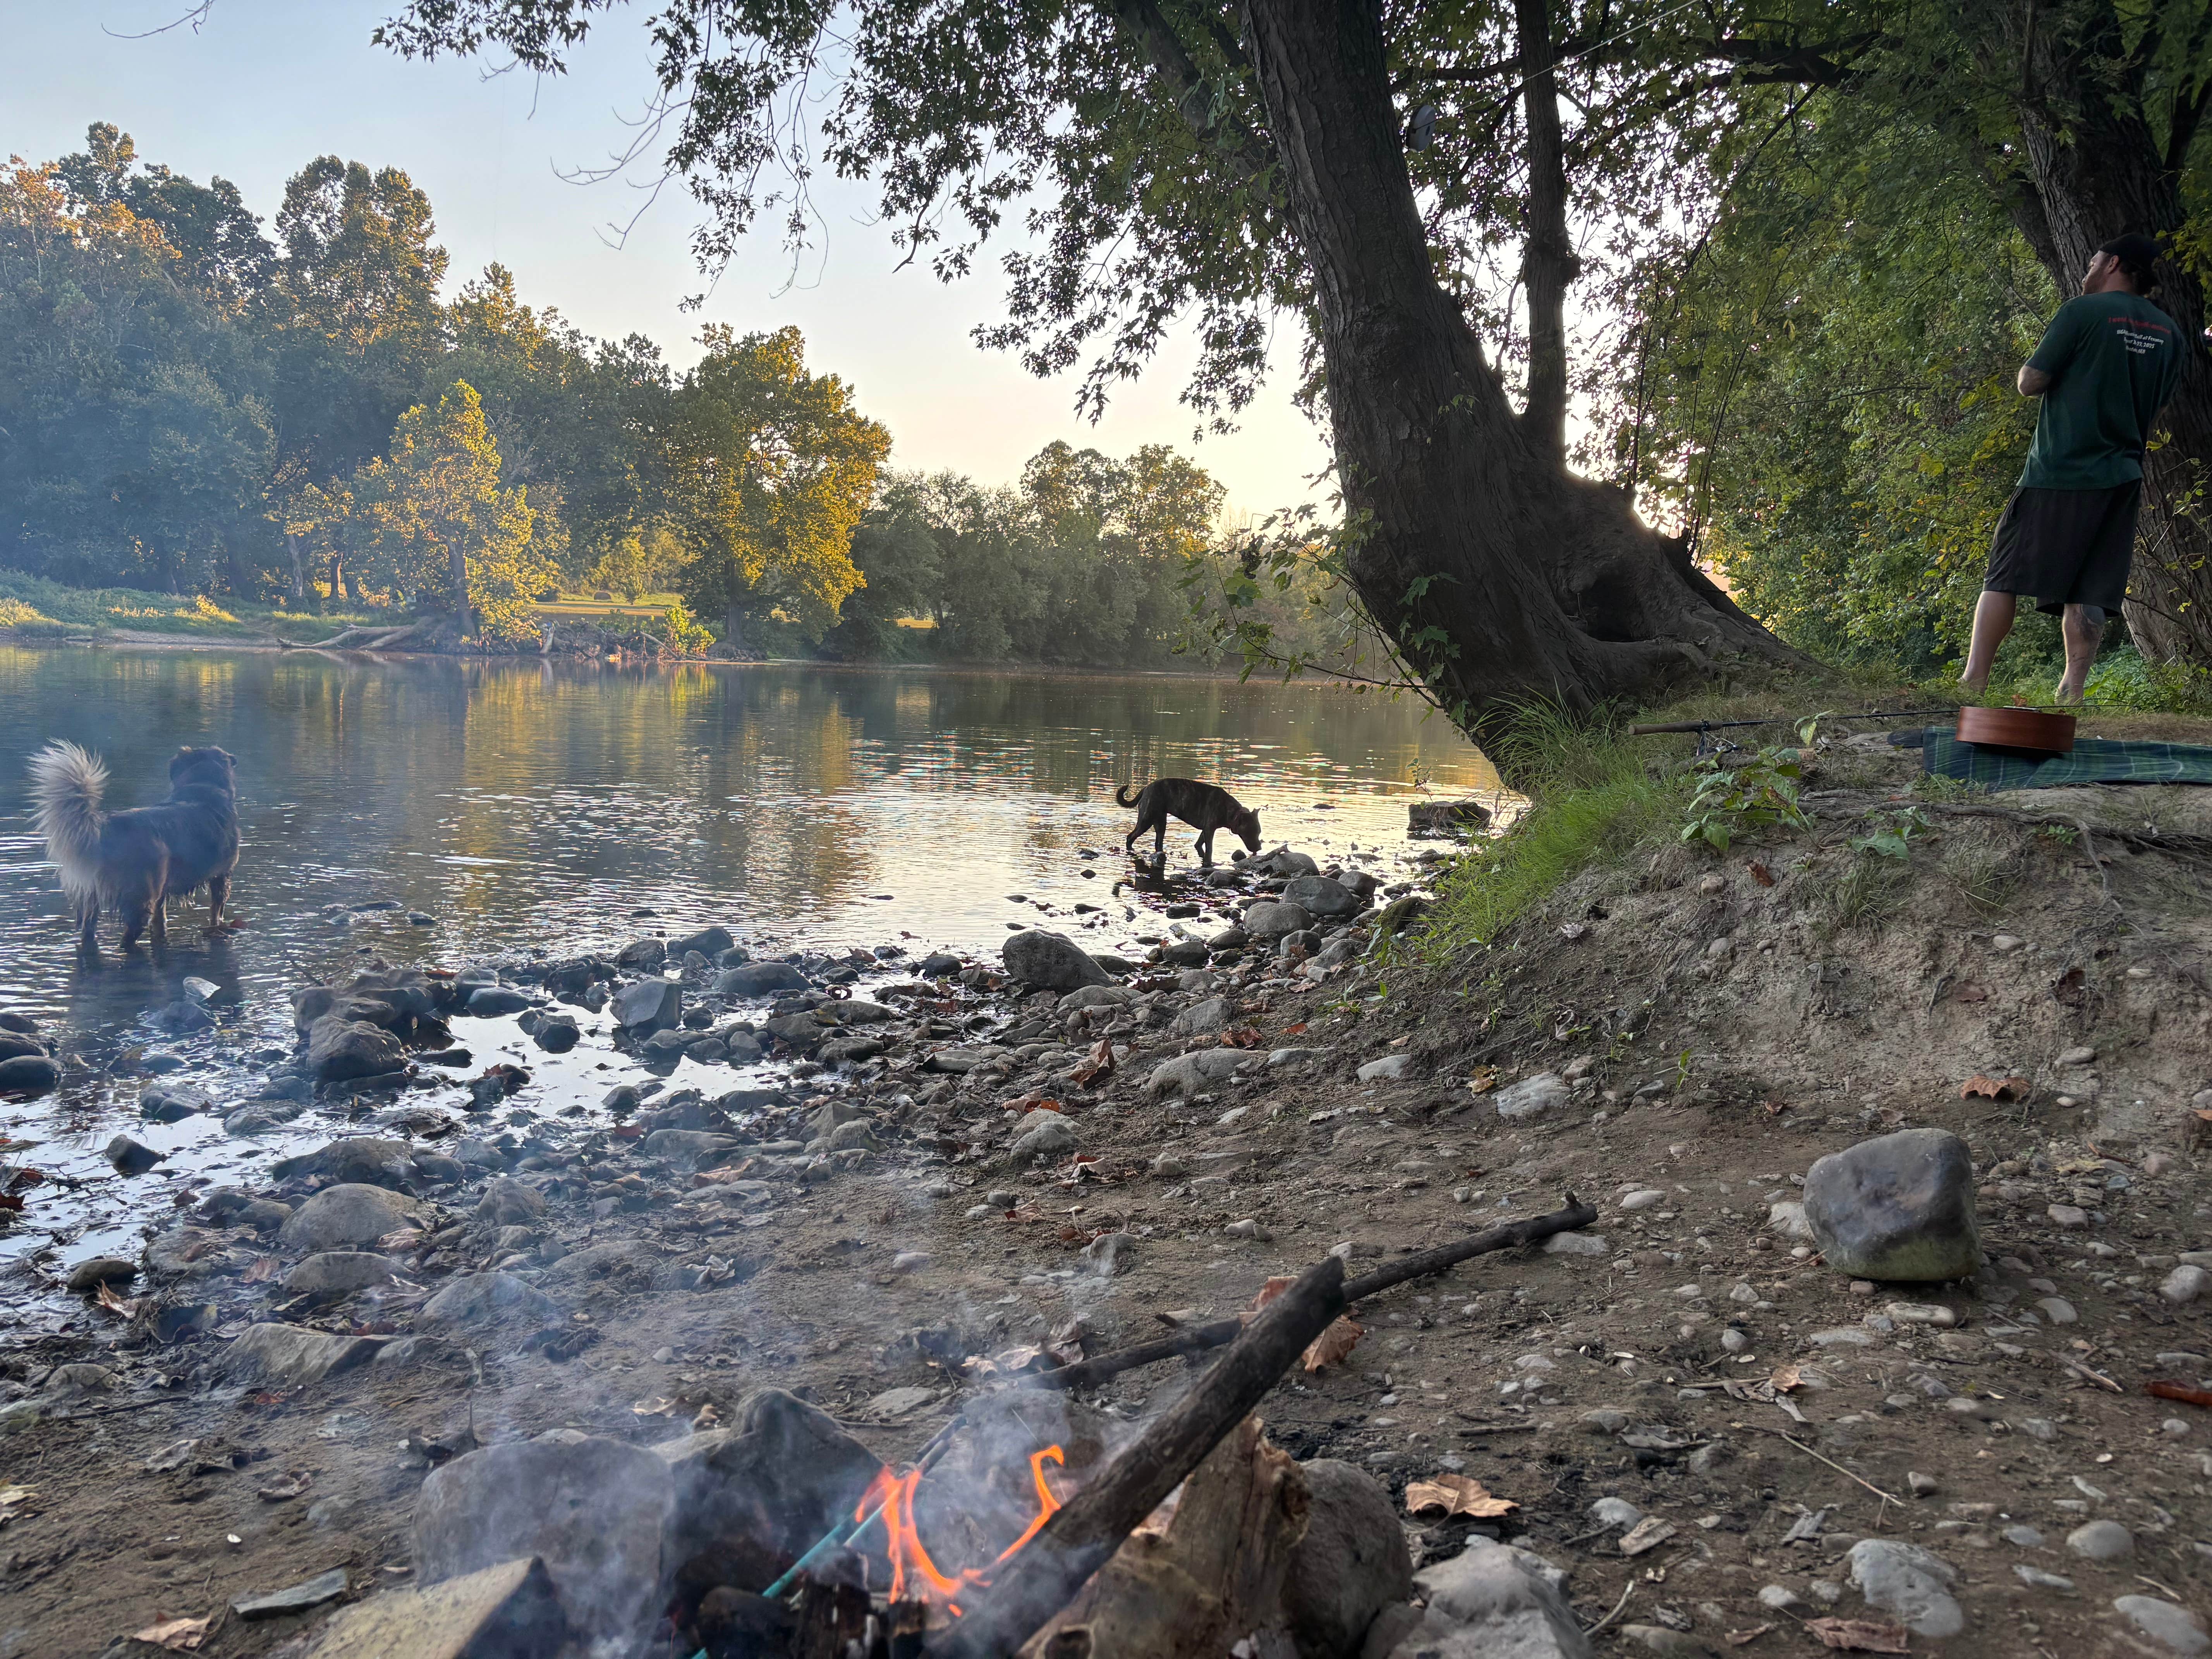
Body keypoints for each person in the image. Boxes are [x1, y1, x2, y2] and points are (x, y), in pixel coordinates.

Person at [1960, 233, 2184, 702]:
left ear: (2113, 264)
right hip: (2122, 476)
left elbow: (2030, 381)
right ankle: (2072, 693)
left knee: (2005, 573)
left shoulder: (2082, 312)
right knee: (2091, 588)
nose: (2088, 270)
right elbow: (2158, 410)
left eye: (2092, 262)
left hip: (2060, 469)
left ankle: (1973, 681)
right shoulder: (2170, 333)